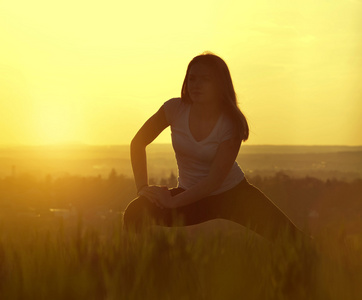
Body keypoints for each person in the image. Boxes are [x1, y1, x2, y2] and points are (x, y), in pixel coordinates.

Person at [123, 52, 303, 240]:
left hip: (233, 195)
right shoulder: (174, 109)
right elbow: (138, 142)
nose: (196, 85)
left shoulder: (230, 123)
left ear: (219, 85)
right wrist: (142, 187)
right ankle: (137, 264)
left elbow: (213, 182)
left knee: (293, 241)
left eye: (205, 79)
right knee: (135, 212)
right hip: (190, 195)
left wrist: (172, 202)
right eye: (192, 79)